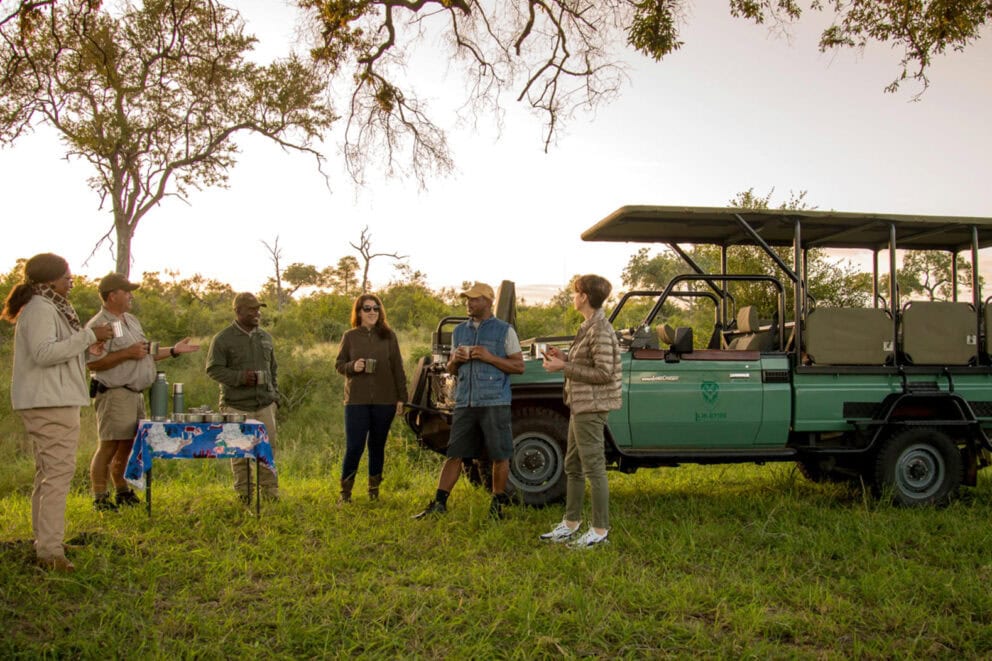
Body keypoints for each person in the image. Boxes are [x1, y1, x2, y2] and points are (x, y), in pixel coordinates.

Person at [2, 253, 114, 572]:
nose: (71, 281)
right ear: (50, 279)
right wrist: (90, 336)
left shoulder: (48, 307)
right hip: (49, 402)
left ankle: (46, 542)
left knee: (47, 472)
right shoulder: (40, 308)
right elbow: (43, 354)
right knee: (58, 475)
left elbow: (57, 353)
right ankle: (50, 553)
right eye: (67, 276)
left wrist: (85, 348)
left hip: (52, 398)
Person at [85, 273, 199, 511]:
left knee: (128, 444)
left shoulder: (131, 321)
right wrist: (126, 353)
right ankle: (99, 497)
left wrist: (175, 350)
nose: (130, 295)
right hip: (115, 392)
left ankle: (122, 491)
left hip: (135, 393)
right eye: (126, 291)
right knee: (108, 445)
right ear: (112, 295)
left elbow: (145, 352)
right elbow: (92, 363)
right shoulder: (98, 325)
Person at [414, 282, 524, 520]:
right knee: (455, 452)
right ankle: (440, 504)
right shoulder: (459, 332)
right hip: (465, 402)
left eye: (474, 299)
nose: (469, 303)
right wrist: (456, 360)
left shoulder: (505, 331)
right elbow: (452, 370)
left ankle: (497, 506)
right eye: (467, 299)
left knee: (499, 454)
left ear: (488, 301)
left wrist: (489, 357)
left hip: (495, 401)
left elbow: (518, 366)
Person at [539, 274, 622, 549]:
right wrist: (564, 357)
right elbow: (587, 362)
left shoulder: (599, 329)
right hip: (579, 405)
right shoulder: (588, 326)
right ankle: (571, 524)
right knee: (572, 466)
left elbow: (604, 373)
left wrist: (563, 368)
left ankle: (599, 531)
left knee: (594, 468)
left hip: (591, 406)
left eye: (576, 293)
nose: (573, 297)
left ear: (584, 296)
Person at [205, 292, 280, 503]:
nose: (257, 313)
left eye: (258, 309)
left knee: (267, 449)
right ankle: (244, 494)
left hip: (264, 403)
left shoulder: (265, 337)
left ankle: (270, 493)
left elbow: (273, 369)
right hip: (236, 405)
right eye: (252, 309)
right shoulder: (223, 339)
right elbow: (213, 369)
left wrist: (275, 396)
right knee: (239, 451)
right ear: (238, 311)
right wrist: (240, 377)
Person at [334, 294, 408, 503]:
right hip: (356, 400)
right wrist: (352, 367)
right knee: (355, 446)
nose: (372, 312)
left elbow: (398, 368)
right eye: (367, 309)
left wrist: (402, 398)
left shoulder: (389, 336)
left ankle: (373, 492)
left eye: (376, 308)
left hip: (385, 401)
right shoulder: (350, 336)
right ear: (359, 312)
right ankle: (345, 494)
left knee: (377, 446)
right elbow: (339, 365)